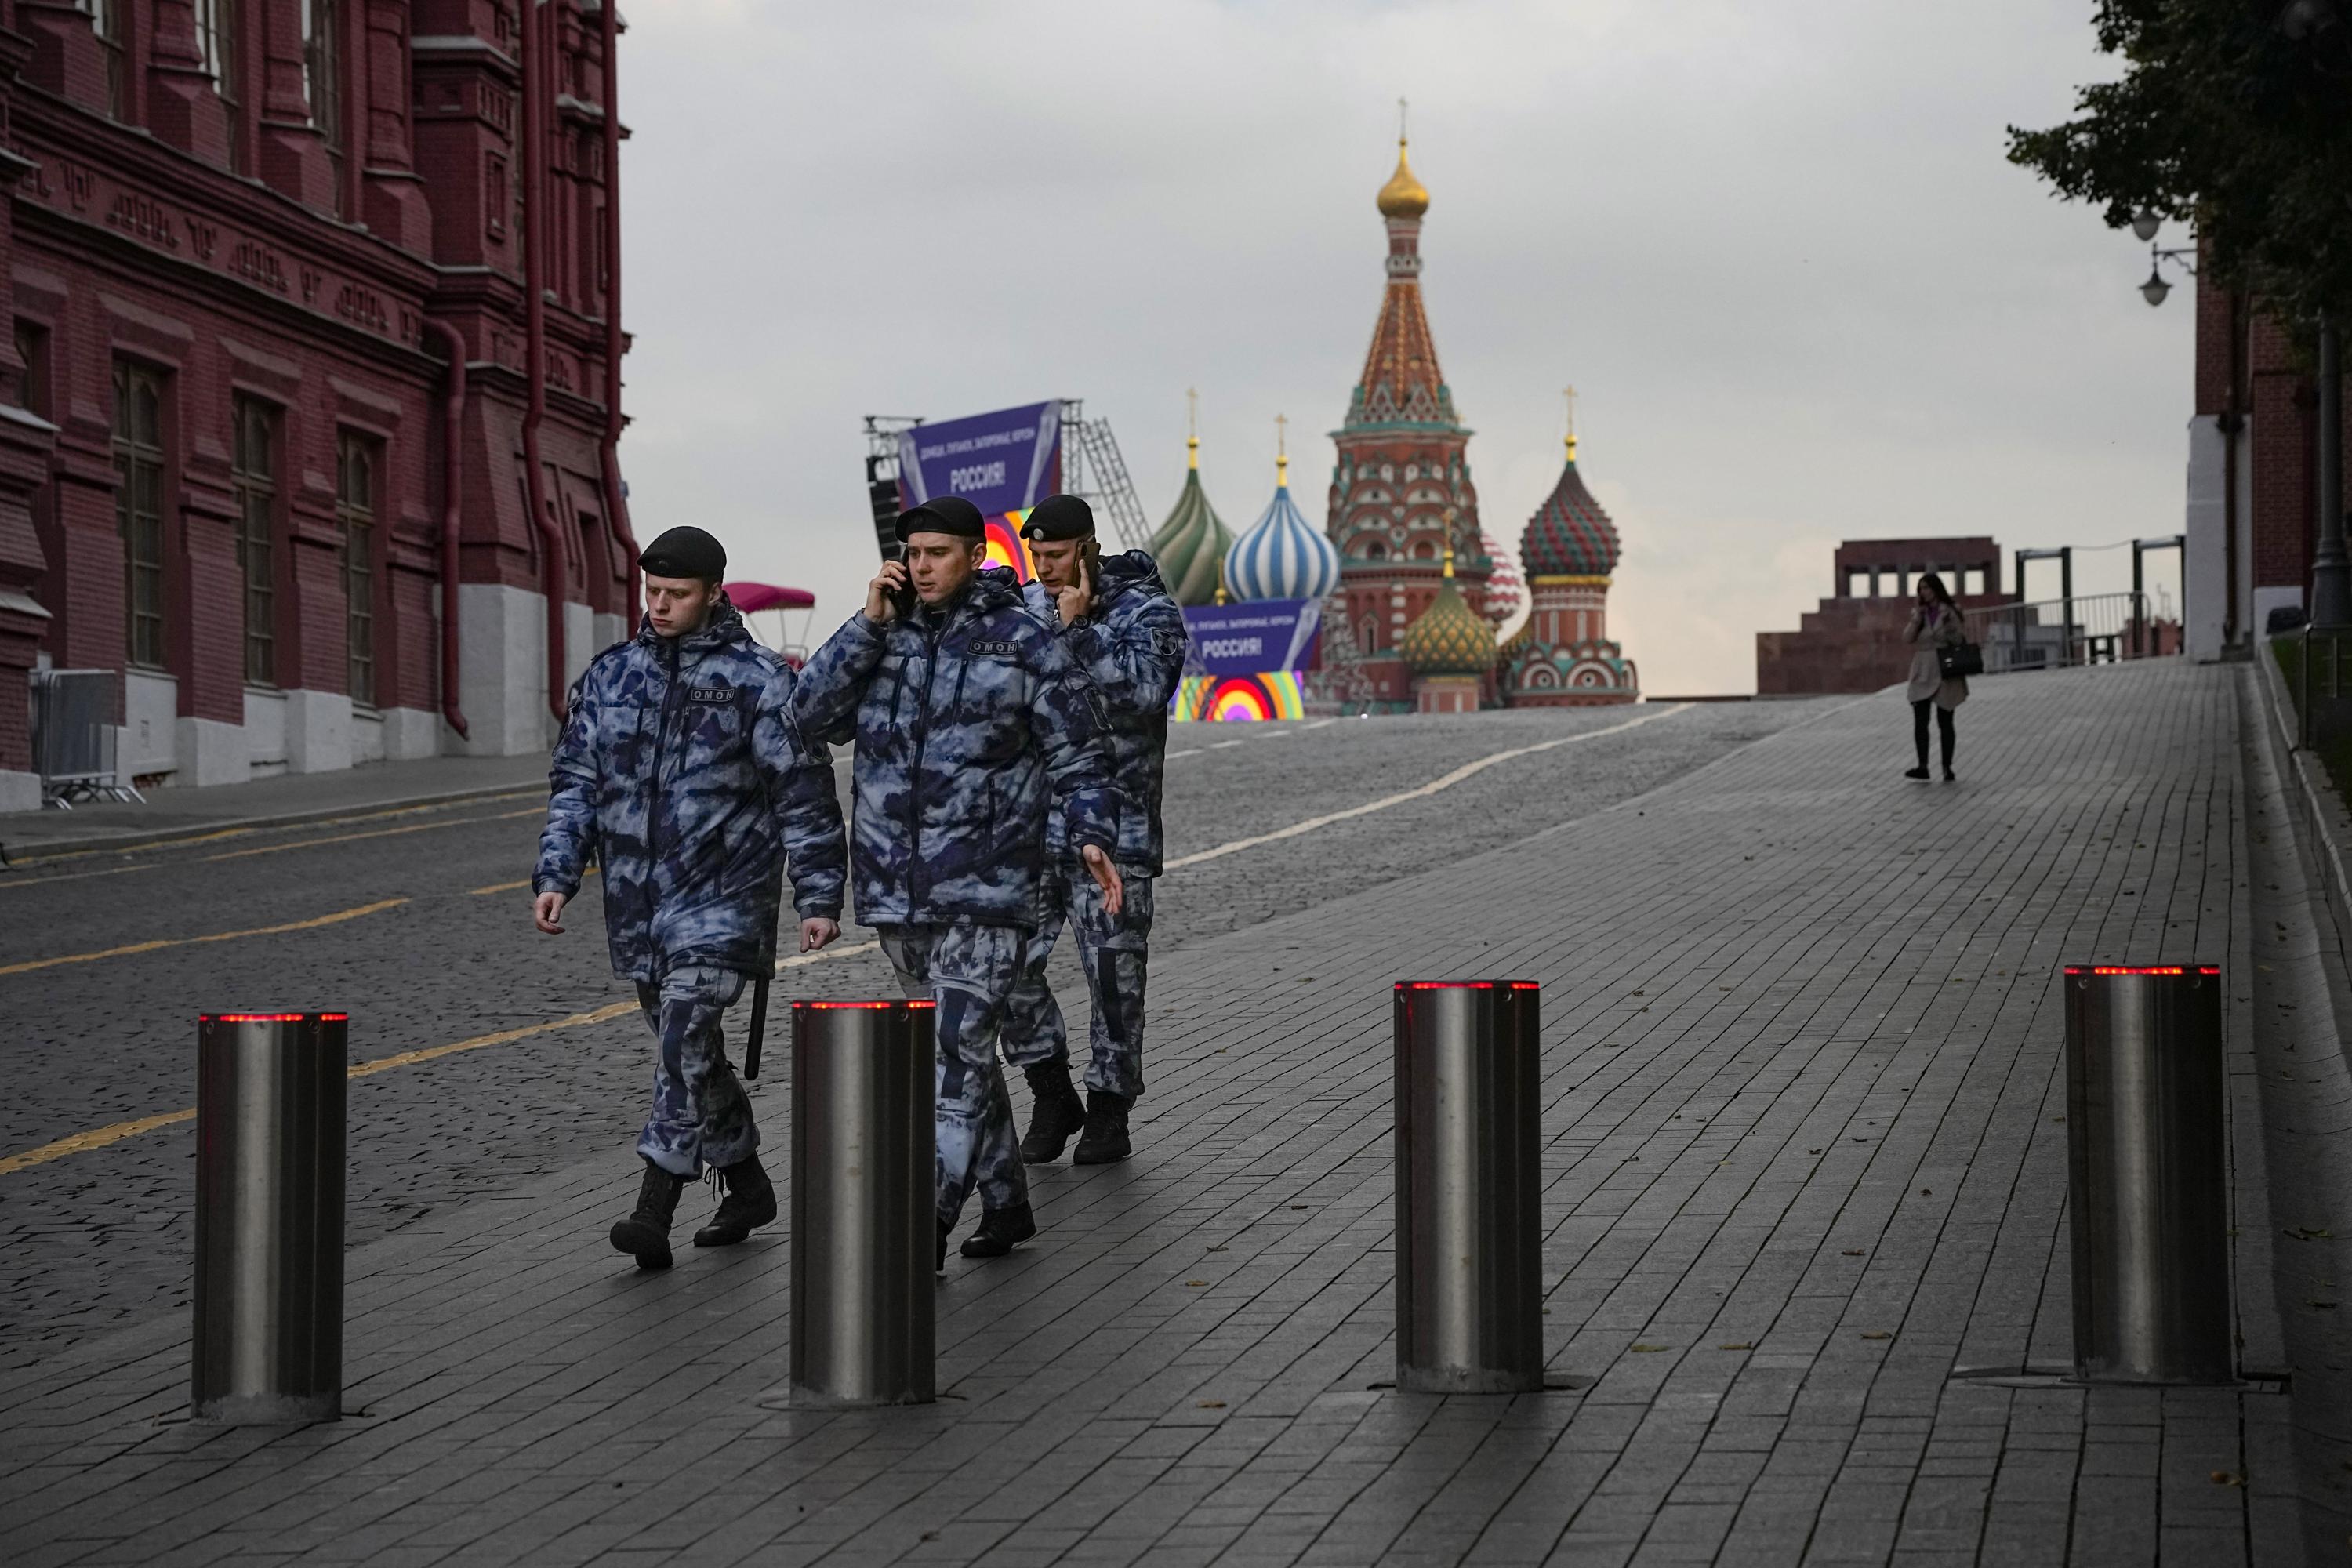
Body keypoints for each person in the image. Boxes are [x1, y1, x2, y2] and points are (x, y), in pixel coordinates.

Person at [793, 495, 1124, 1270]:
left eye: (939, 552)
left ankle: (923, 1223)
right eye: (913, 552)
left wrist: (1093, 834)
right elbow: (804, 717)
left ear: (977, 554)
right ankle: (1005, 1200)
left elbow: (1079, 747)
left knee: (952, 1054)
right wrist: (866, 624)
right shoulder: (883, 638)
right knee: (965, 1060)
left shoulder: (1023, 642)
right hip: (898, 893)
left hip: (987, 888)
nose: (922, 566)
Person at [532, 525, 847, 1271]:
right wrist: (557, 874)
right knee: (693, 1050)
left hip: (726, 895)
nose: (662, 605)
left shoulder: (760, 682)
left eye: (677, 593)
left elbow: (803, 794)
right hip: (640, 904)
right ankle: (746, 1182)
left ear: (713, 593)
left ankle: (655, 1206)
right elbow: (576, 784)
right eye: (653, 592)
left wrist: (818, 895)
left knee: (682, 1033)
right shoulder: (612, 678)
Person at [1000, 494, 1187, 1166]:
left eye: (1055, 554)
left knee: (1114, 976)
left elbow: (1142, 694)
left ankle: (1110, 1108)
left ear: (1087, 547)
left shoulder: (1148, 612)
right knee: (1006, 967)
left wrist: (1080, 631)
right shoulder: (1022, 609)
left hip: (1115, 829)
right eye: (1036, 555)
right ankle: (1050, 1089)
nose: (1044, 568)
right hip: (1027, 828)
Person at [1904, 572, 1969, 782]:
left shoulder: (1949, 611)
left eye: (1927, 588)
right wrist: (1917, 619)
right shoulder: (1919, 614)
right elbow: (1907, 639)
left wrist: (1950, 626)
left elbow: (1959, 639)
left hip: (1944, 668)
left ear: (1936, 589)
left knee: (1946, 720)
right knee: (1920, 721)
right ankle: (1923, 766)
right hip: (1923, 669)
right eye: (1921, 588)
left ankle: (1947, 767)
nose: (1924, 592)